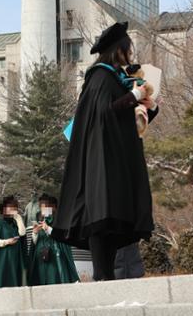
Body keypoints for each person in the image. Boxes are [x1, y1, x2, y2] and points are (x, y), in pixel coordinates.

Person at [52, 21, 158, 281]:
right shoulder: (99, 76)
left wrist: (149, 106)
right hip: (101, 159)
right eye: (127, 48)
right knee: (101, 216)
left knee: (114, 218)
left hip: (118, 158)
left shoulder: (118, 77)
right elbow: (103, 112)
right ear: (118, 49)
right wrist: (133, 95)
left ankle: (106, 276)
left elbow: (127, 119)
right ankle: (102, 276)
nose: (130, 53)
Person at [28, 194, 80, 286]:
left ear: (54, 208)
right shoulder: (39, 221)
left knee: (55, 280)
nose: (44, 210)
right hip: (40, 259)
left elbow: (63, 239)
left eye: (46, 207)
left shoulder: (60, 222)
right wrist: (35, 232)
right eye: (42, 207)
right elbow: (34, 244)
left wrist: (48, 228)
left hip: (55, 259)